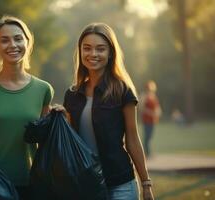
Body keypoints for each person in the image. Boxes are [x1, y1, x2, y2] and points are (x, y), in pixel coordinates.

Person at [0, 15, 54, 200]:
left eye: (18, 38)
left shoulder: (43, 89)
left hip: (30, 181)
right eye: (4, 40)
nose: (12, 45)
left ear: (27, 43)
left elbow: (44, 139)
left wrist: (57, 118)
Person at [61, 23, 154, 200]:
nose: (93, 54)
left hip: (121, 184)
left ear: (110, 53)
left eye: (100, 49)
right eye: (87, 48)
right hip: (85, 185)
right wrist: (58, 115)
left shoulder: (122, 91)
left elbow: (132, 139)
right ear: (80, 52)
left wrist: (146, 183)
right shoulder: (72, 94)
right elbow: (70, 140)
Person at [140, 80, 161, 158]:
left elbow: (157, 107)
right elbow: (141, 108)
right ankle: (146, 153)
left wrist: (157, 113)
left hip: (153, 120)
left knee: (150, 136)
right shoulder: (144, 96)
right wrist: (151, 113)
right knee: (147, 136)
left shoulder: (153, 96)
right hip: (146, 119)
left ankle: (148, 152)